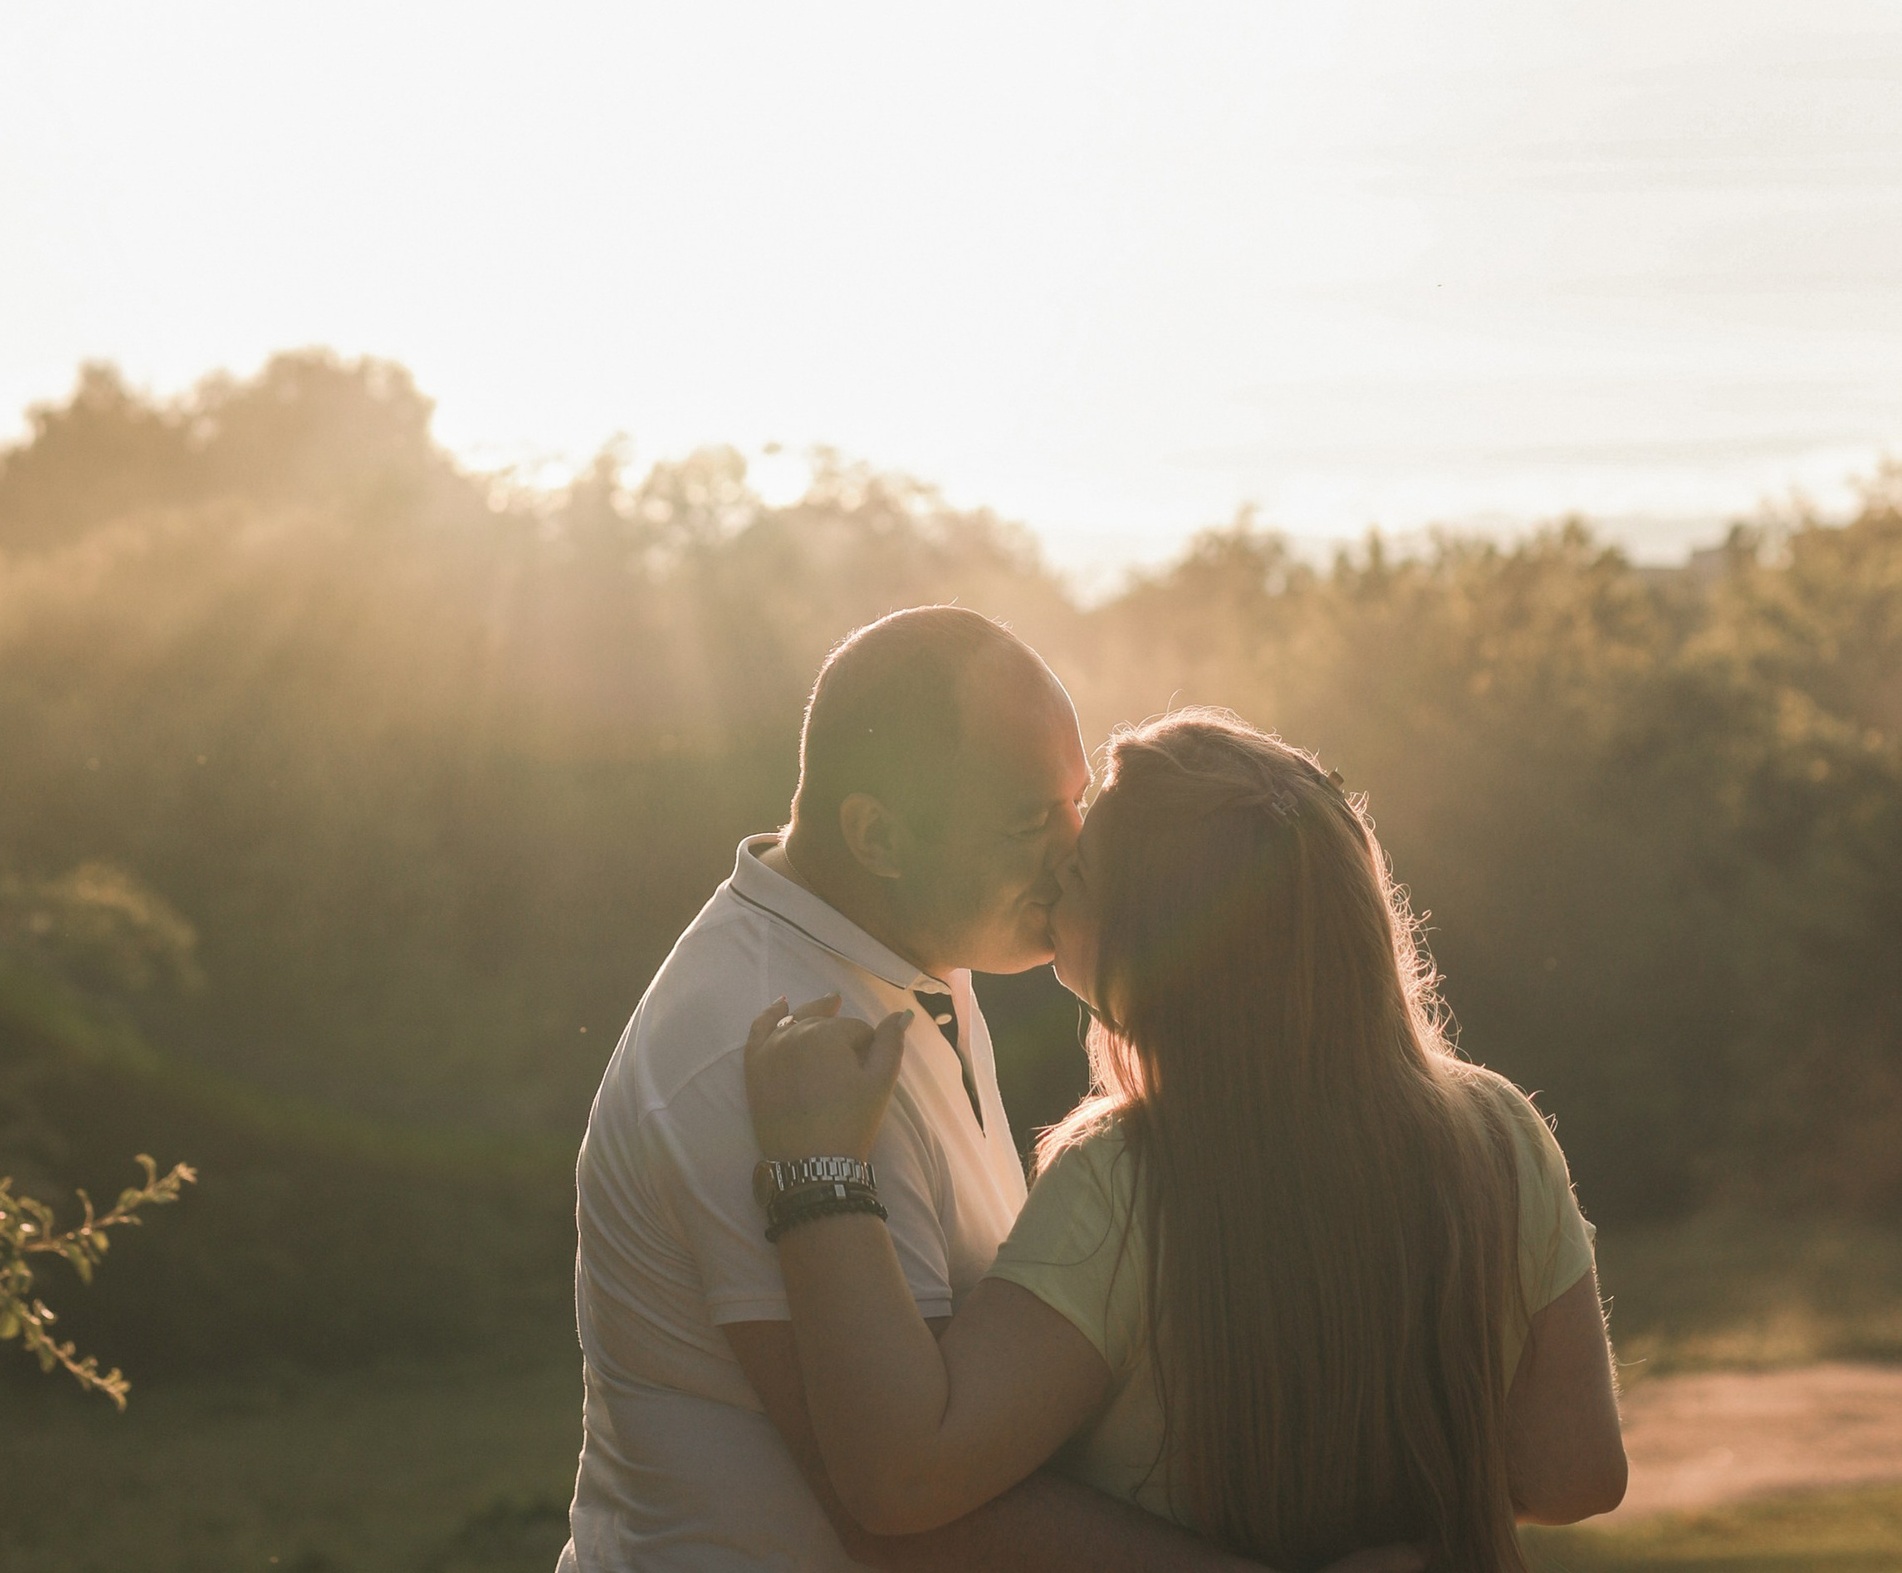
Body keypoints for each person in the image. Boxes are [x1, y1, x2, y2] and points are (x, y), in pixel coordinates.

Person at [559, 609, 1407, 1573]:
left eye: (1075, 800)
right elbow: (901, 1510)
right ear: (877, 835)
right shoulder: (774, 1051)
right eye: (1026, 823)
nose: (1075, 849)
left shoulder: (914, 954)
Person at [743, 711, 1630, 1573]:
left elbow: (902, 1480)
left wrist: (814, 1167)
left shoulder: (1126, 1188)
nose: (1054, 884)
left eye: (1082, 876)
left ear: (1166, 944)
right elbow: (1575, 1471)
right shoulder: (1501, 1132)